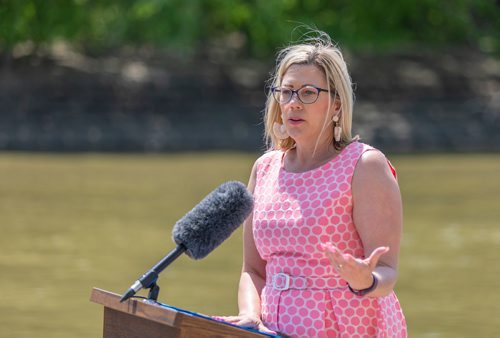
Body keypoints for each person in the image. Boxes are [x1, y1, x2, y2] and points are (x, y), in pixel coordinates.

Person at [216, 31, 407, 337]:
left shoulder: (365, 166)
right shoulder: (264, 168)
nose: (293, 103)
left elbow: (387, 271)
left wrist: (364, 280)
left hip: (347, 327)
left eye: (308, 93)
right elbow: (252, 270)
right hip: (274, 328)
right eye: (287, 91)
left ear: (336, 105)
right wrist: (250, 314)